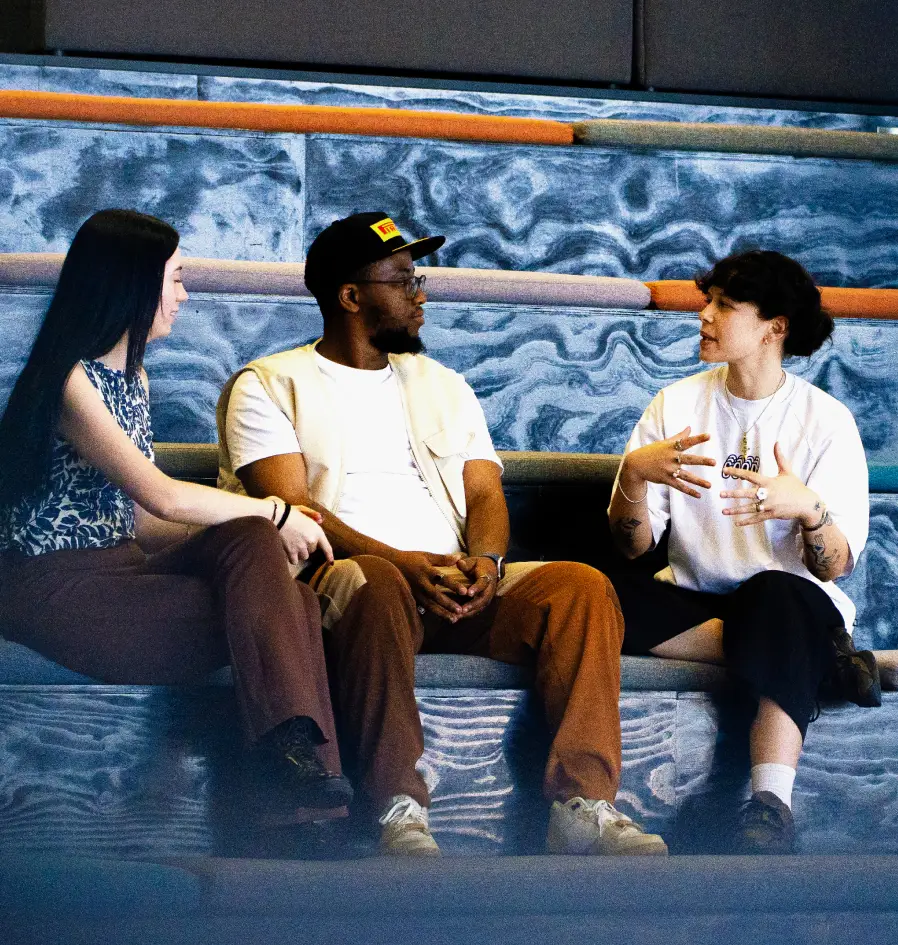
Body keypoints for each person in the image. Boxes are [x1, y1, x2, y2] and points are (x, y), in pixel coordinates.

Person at [217, 211, 667, 857]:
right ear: (350, 296)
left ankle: (583, 804)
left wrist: (484, 560)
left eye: (418, 277)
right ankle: (395, 808)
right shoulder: (268, 384)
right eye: (403, 280)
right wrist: (404, 562)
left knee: (582, 588)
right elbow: (292, 510)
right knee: (374, 584)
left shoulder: (443, 385)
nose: (420, 293)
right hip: (350, 579)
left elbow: (484, 491)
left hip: (451, 580)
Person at [0, 208, 352, 816]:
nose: (185, 295)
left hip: (124, 568)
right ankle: (302, 793)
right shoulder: (69, 383)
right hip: (53, 587)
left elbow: (142, 522)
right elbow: (161, 493)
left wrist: (259, 538)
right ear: (135, 284)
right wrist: (275, 513)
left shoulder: (131, 377)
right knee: (282, 596)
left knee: (265, 568)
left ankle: (299, 772)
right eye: (177, 278)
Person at [607, 249, 877, 854]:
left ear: (773, 328)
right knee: (597, 594)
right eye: (707, 302)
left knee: (774, 596)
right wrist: (633, 478)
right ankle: (822, 659)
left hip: (789, 599)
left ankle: (770, 804)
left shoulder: (825, 421)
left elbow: (834, 565)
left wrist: (809, 509)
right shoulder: (674, 405)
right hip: (696, 606)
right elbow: (634, 548)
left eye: (724, 306)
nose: (703, 316)